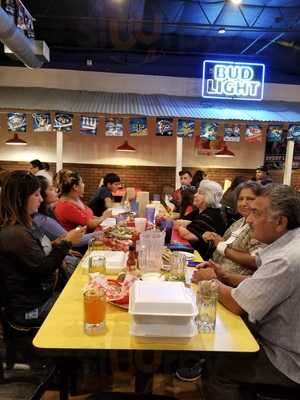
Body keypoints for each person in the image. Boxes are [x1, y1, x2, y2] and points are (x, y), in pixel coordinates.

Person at [193, 184, 300, 399]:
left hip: (287, 360)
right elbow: (261, 283)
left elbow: (237, 304)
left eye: (256, 213)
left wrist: (212, 281)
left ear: (280, 222)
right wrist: (224, 275)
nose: (249, 219)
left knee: (219, 368)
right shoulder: (288, 242)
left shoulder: (286, 258)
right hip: (281, 341)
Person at [0, 171, 85, 327]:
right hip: (30, 309)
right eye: (36, 195)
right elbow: (42, 268)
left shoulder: (28, 224)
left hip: (44, 295)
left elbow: (36, 251)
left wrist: (57, 244)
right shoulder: (14, 233)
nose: (41, 199)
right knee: (83, 308)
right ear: (20, 198)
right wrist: (66, 244)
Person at [204, 181, 265, 283]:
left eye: (250, 199)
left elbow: (255, 261)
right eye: (240, 199)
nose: (243, 203)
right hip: (216, 274)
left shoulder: (261, 226)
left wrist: (220, 245)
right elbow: (227, 246)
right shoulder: (238, 222)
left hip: (234, 285)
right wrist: (215, 238)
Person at [33, 176, 99, 250]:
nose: (56, 190)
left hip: (71, 246)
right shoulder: (64, 205)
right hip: (76, 246)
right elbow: (89, 224)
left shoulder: (75, 200)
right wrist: (101, 232)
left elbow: (88, 215)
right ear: (75, 187)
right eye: (51, 189)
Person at [174, 180, 226, 260]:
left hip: (204, 259)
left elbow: (187, 235)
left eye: (200, 193)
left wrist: (181, 225)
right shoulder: (200, 211)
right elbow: (183, 222)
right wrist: (185, 224)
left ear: (208, 197)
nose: (195, 195)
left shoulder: (210, 215)